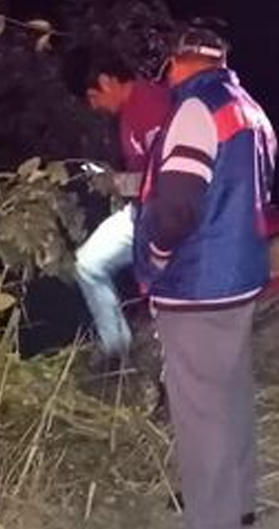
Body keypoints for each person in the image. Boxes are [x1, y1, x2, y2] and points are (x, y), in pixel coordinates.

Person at [134, 29, 277, 529]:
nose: (167, 76)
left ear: (180, 62)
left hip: (196, 284)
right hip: (240, 276)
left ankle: (213, 519)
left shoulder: (195, 111)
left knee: (199, 416)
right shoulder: (249, 109)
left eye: (168, 66)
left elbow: (177, 207)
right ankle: (240, 509)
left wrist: (155, 255)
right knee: (230, 396)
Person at [61, 47, 171, 360]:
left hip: (167, 216)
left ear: (107, 82)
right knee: (87, 265)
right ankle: (117, 348)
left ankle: (153, 351)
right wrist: (116, 181)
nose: (94, 106)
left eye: (92, 97)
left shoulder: (152, 105)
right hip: (141, 211)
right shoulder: (128, 114)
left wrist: (115, 183)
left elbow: (168, 179)